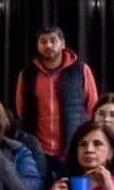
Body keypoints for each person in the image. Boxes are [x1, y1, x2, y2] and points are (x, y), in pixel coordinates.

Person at [14, 25, 99, 181]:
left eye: (53, 41)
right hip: (38, 150)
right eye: (43, 41)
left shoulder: (80, 70)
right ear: (38, 45)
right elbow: (21, 109)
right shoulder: (27, 74)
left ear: (63, 43)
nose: (48, 45)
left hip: (73, 148)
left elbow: (92, 106)